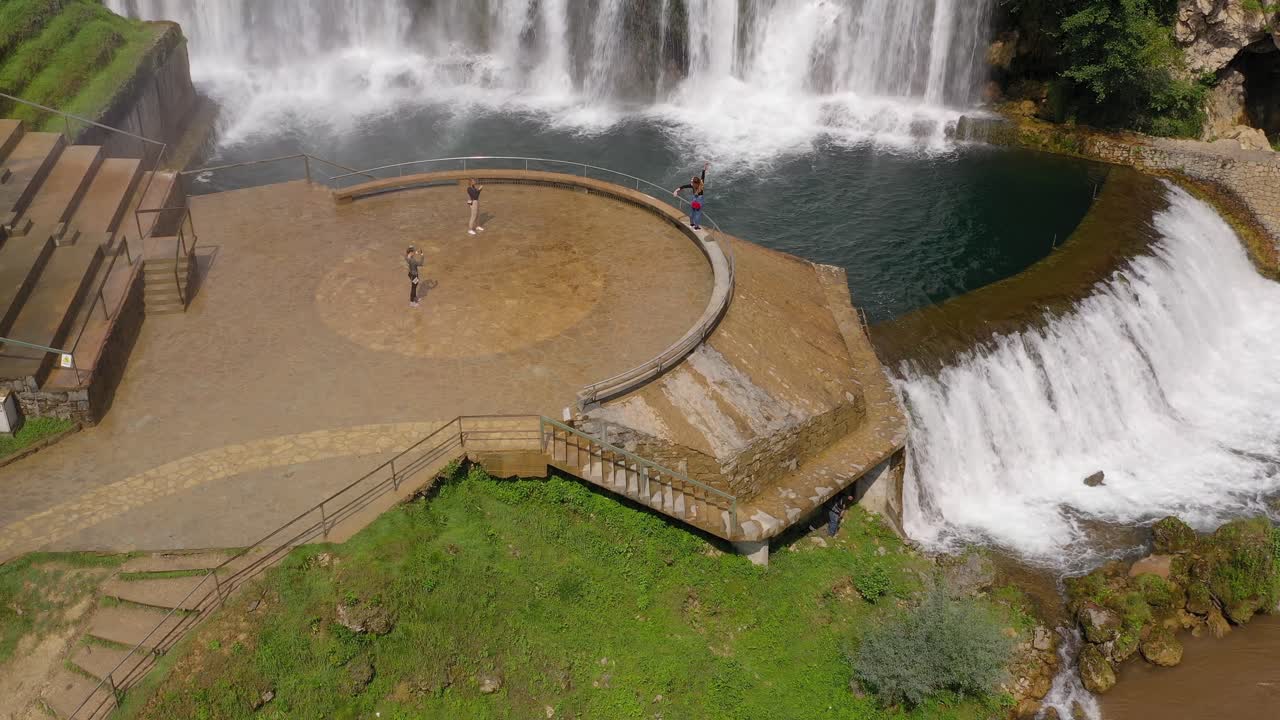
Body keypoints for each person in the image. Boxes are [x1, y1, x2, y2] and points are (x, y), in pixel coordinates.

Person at [673, 161, 709, 230]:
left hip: (695, 199)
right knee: (697, 214)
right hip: (699, 200)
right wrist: (704, 169)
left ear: (695, 183)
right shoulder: (700, 184)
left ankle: (692, 224)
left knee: (692, 212)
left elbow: (683, 186)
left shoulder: (695, 185)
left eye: (692, 182)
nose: (691, 183)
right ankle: (696, 227)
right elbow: (702, 176)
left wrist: (676, 191)